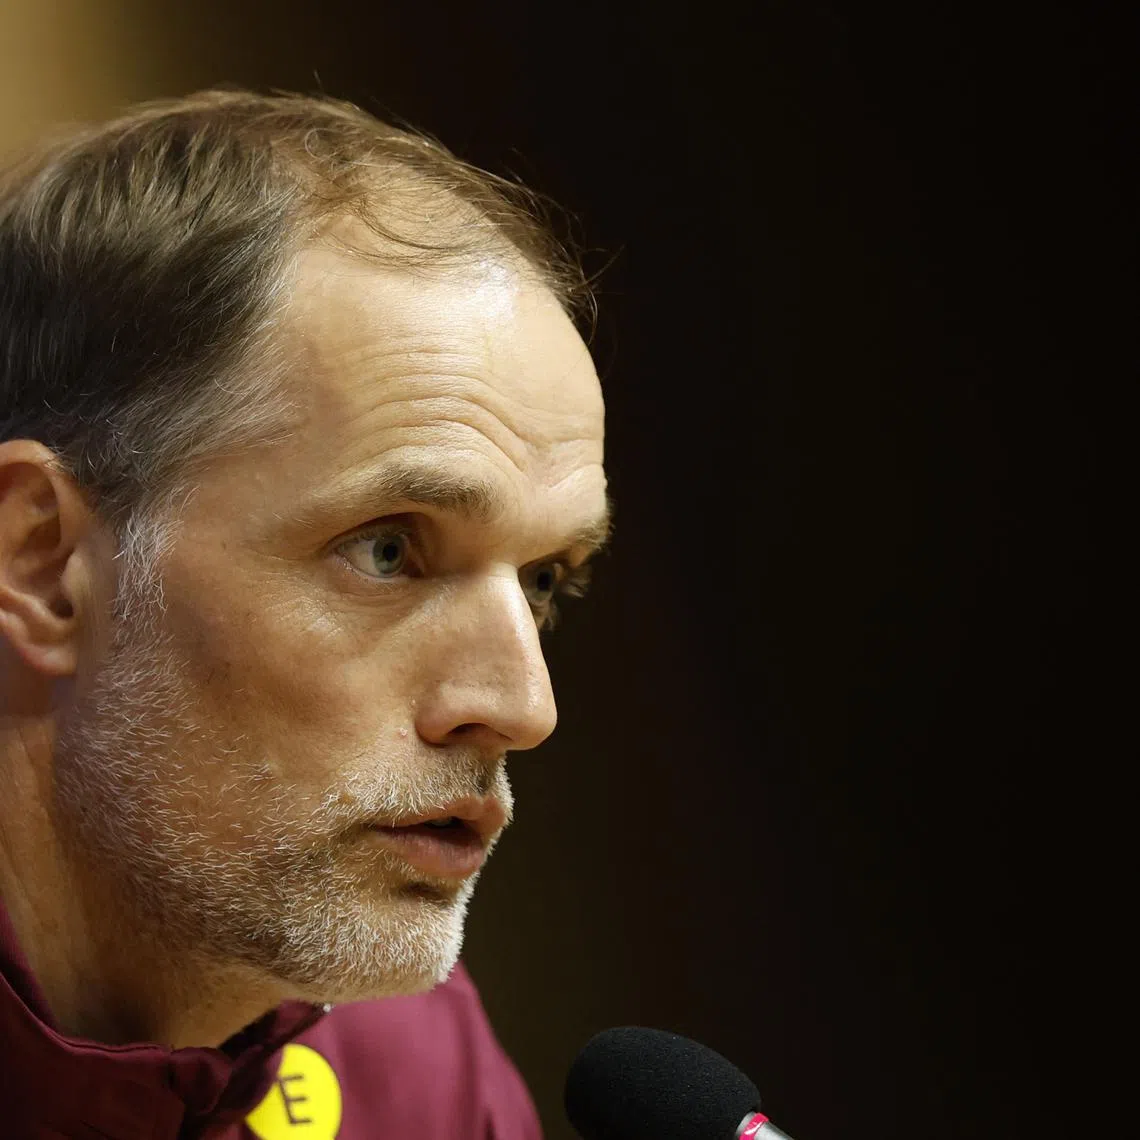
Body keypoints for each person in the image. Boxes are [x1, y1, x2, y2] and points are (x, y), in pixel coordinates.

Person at [0, 88, 610, 1139]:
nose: (521, 707)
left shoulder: (411, 1066)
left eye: (545, 579)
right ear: (46, 566)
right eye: (388, 550)